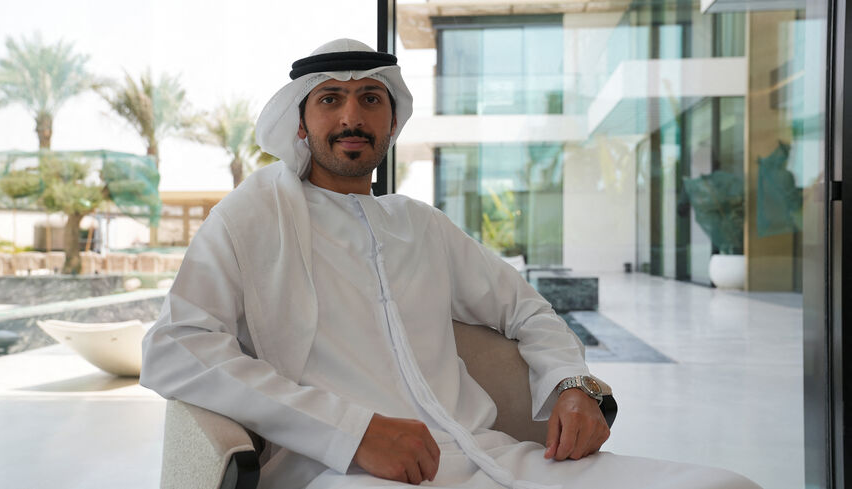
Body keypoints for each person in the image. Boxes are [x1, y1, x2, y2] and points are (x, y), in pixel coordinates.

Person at [140, 38, 761, 489]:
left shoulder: (419, 224)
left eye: (370, 99)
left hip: (493, 457)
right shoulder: (253, 214)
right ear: (301, 122)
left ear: (390, 122)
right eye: (330, 99)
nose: (351, 116)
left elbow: (527, 309)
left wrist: (573, 385)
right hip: (344, 470)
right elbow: (176, 347)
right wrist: (351, 431)